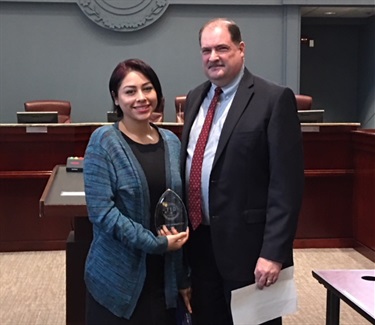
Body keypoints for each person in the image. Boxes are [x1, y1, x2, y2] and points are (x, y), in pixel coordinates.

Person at [180, 18, 304, 325]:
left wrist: (274, 252)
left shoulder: (274, 99)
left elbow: (286, 185)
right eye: (206, 50)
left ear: (241, 49)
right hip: (200, 244)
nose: (213, 57)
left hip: (251, 252)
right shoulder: (196, 97)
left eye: (222, 48)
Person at [83, 58, 190, 324]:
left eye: (148, 88)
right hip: (117, 278)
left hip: (162, 277)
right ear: (116, 99)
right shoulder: (103, 141)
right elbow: (102, 213)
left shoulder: (172, 142)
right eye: (130, 91)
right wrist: (155, 244)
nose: (141, 98)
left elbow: (177, 213)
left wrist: (182, 277)